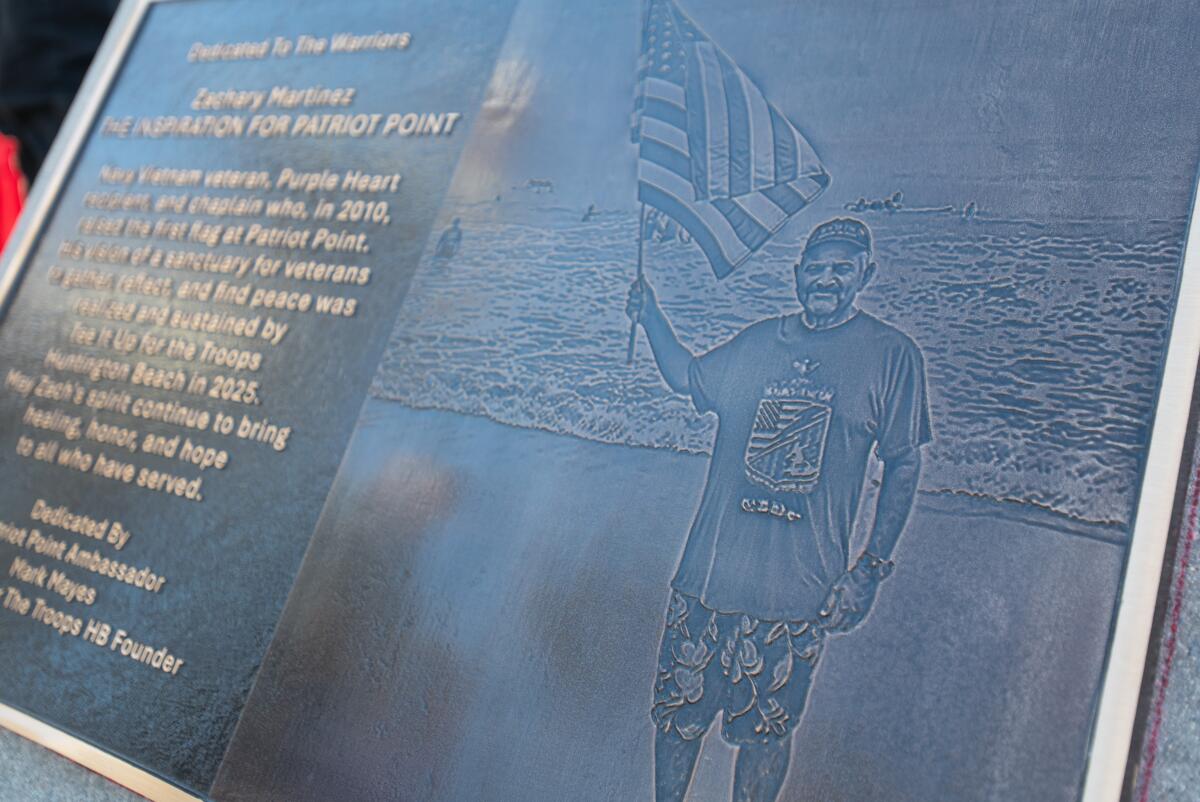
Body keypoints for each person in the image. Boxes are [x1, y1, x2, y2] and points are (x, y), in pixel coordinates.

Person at [626, 217, 932, 802]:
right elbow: (687, 376)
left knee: (766, 733)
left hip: (796, 593)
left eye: (842, 268)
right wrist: (651, 314)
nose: (826, 279)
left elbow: (905, 463)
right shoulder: (759, 342)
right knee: (676, 718)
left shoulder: (892, 356)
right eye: (815, 268)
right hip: (708, 579)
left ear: (865, 274)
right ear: (797, 276)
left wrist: (869, 571)